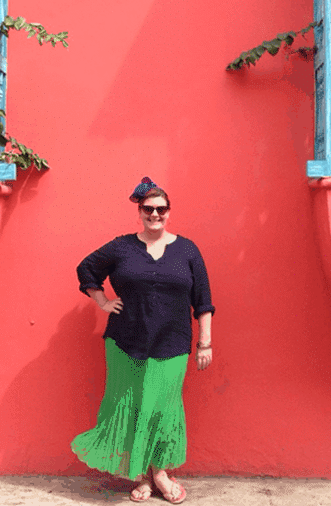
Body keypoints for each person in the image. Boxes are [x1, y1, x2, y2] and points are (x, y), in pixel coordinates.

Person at [72, 177, 214, 504]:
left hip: (173, 343)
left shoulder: (188, 250)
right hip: (125, 341)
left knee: (163, 409)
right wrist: (102, 301)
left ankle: (159, 471)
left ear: (169, 212)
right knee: (134, 407)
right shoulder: (122, 246)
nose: (155, 215)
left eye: (161, 209)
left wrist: (204, 342)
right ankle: (141, 474)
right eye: (148, 209)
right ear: (139, 211)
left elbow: (203, 300)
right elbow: (87, 268)